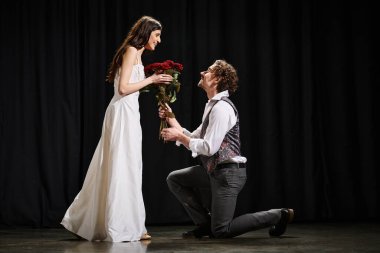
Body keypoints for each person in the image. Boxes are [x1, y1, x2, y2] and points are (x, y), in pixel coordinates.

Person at [61, 16, 173, 242]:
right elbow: (122, 89)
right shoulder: (132, 49)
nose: (159, 40)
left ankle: (132, 223)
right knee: (122, 165)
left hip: (129, 113)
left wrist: (155, 87)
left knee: (130, 166)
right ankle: (119, 224)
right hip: (121, 113)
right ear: (147, 32)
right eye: (157, 35)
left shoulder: (137, 54)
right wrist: (151, 81)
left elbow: (130, 87)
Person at [159, 59, 294, 239]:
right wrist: (170, 117)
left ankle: (280, 214)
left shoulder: (221, 108)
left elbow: (208, 148)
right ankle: (205, 224)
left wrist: (178, 136)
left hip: (228, 175)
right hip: (214, 172)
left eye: (208, 70)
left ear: (217, 79)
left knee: (222, 230)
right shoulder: (212, 106)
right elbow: (193, 138)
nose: (202, 73)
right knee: (175, 179)